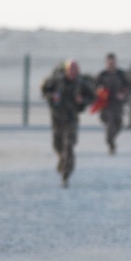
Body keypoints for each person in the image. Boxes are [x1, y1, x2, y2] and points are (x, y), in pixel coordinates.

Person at [41, 59, 96, 187]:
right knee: (58, 146)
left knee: (69, 146)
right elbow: (44, 90)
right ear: (66, 70)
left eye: (75, 69)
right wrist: (52, 96)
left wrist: (82, 100)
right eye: (71, 69)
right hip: (57, 118)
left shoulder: (81, 83)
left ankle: (66, 176)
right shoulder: (57, 81)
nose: (73, 72)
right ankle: (61, 160)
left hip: (72, 119)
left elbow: (92, 96)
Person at [94, 53, 130, 154]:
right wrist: (99, 91)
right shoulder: (102, 75)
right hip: (106, 105)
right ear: (106, 63)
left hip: (118, 105)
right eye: (109, 63)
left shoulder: (121, 74)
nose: (111, 64)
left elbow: (128, 87)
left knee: (119, 124)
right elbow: (95, 88)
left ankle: (111, 140)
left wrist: (123, 95)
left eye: (113, 62)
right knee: (110, 122)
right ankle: (110, 142)